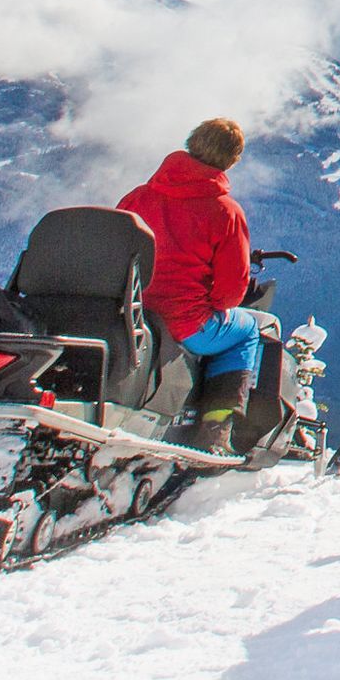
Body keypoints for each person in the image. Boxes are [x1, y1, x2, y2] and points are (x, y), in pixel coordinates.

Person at [119, 118, 267, 454]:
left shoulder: (138, 197)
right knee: (246, 331)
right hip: (185, 322)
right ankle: (215, 429)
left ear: (191, 143)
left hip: (132, 315)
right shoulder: (226, 211)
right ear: (232, 159)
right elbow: (230, 293)